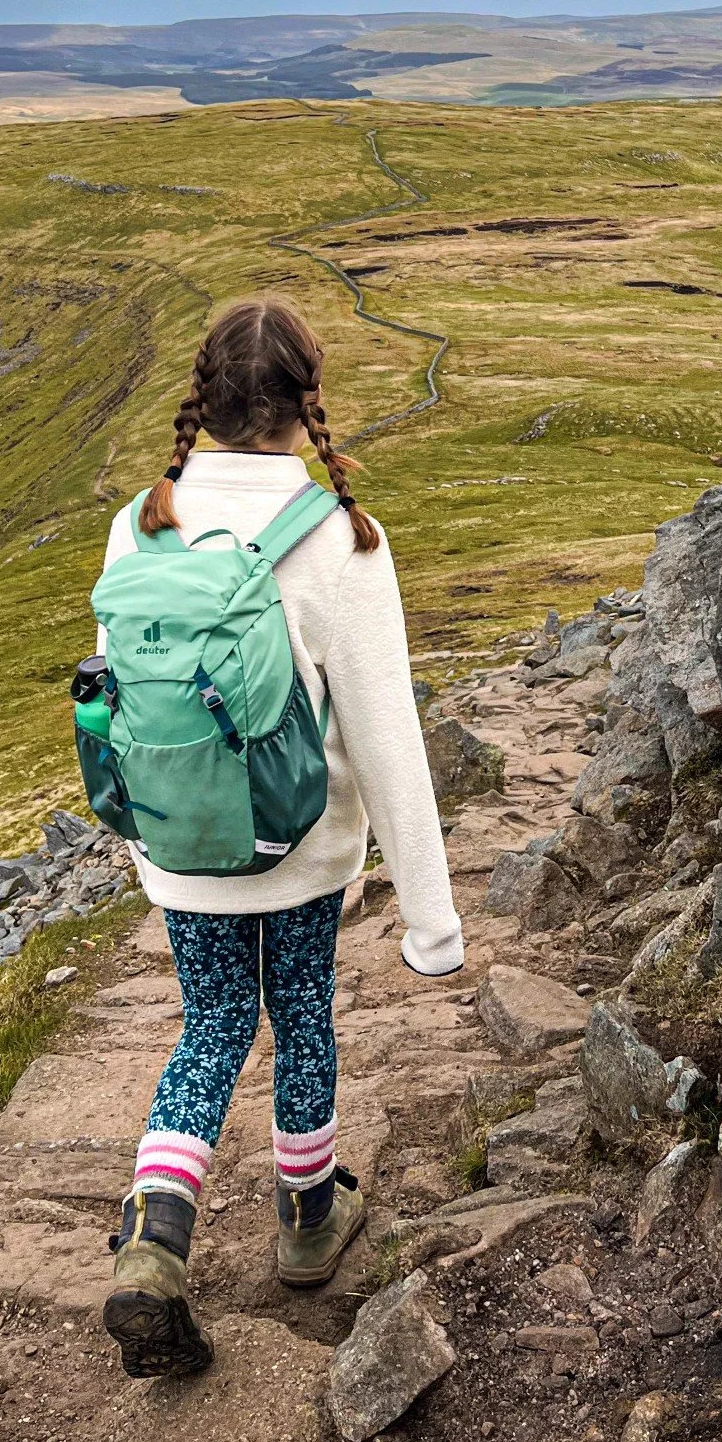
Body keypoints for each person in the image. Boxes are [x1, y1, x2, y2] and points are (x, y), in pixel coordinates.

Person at [96, 297, 462, 1377]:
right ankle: (307, 1216)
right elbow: (389, 739)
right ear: (308, 403)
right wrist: (431, 921)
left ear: (203, 399)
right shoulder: (343, 537)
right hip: (298, 851)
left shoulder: (140, 523)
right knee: (300, 1014)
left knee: (210, 1025)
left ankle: (155, 1238)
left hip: (177, 843)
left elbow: (124, 698)